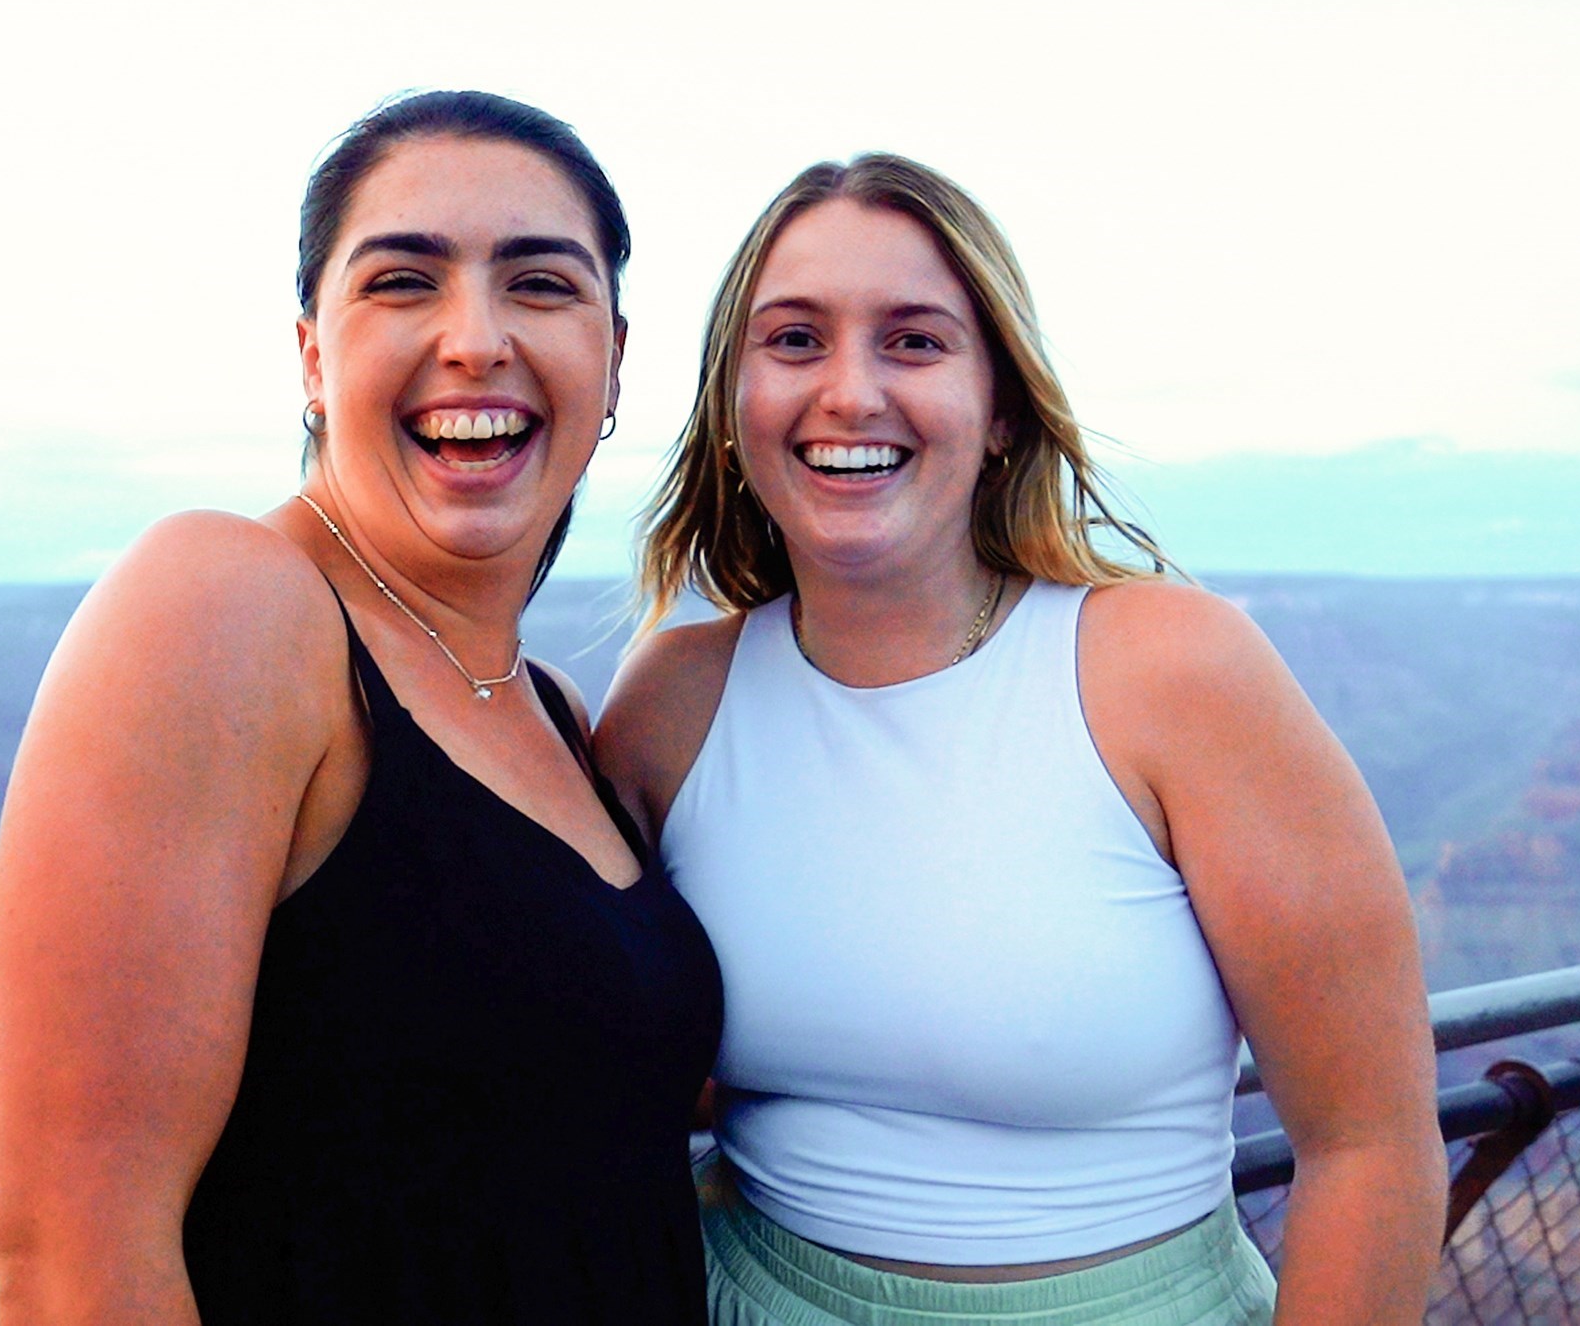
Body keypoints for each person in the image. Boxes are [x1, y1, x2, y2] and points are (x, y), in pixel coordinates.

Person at [598, 154, 1445, 1325]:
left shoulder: (1171, 674)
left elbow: (1371, 1146)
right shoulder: (671, 704)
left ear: (1000, 407)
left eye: (914, 341)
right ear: (732, 407)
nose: (849, 392)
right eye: (794, 340)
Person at [0, 91, 723, 1325]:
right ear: (314, 356)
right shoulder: (227, 604)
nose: (477, 338)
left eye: (541, 284)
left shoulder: (549, 709)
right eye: (403, 283)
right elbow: (73, 1255)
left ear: (613, 362)